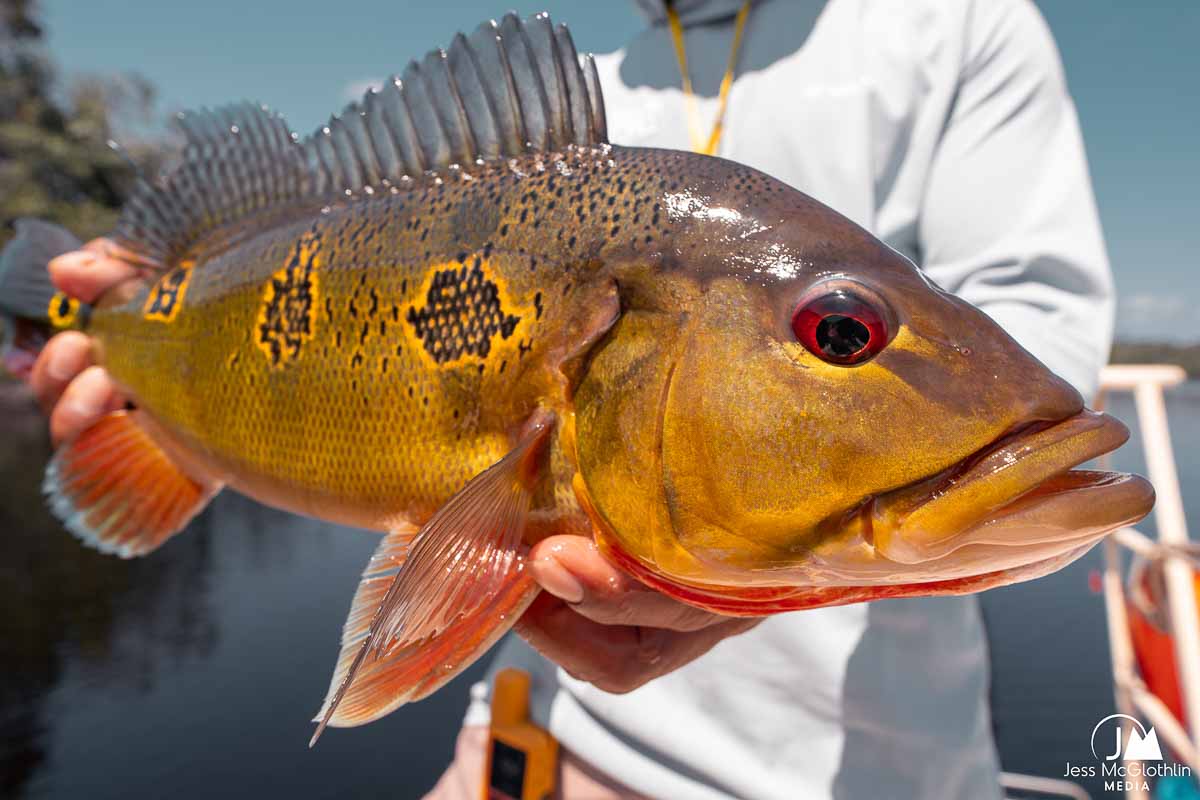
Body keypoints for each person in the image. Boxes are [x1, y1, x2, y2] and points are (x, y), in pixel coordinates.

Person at [33, 1, 1114, 798]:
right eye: (839, 333)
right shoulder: (584, 90)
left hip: (867, 771)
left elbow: (1045, 336)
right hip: (527, 753)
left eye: (842, 335)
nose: (840, 342)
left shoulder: (953, 25)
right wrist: (104, 339)